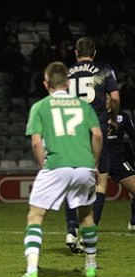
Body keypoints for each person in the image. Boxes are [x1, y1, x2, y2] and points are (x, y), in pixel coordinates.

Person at [18, 61, 102, 277]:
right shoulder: (85, 107)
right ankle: (91, 265)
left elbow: (36, 142)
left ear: (46, 84)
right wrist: (93, 164)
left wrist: (42, 165)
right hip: (84, 166)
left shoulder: (40, 107)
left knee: (36, 216)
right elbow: (98, 136)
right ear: (67, 83)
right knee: (86, 216)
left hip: (56, 165)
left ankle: (32, 269)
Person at [64, 37, 120, 252]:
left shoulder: (68, 72)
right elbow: (114, 98)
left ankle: (71, 230)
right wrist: (113, 118)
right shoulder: (104, 70)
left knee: (72, 181)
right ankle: (89, 234)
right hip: (96, 129)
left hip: (72, 131)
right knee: (100, 182)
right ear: (94, 53)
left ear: (76, 53)